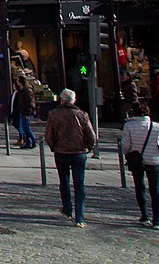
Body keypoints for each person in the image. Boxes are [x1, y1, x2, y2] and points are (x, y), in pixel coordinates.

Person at [45, 88, 96, 228]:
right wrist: (87, 147)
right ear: (74, 100)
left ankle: (67, 209)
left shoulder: (53, 114)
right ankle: (79, 217)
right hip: (78, 153)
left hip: (61, 153)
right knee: (79, 185)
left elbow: (48, 135)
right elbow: (92, 136)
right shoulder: (82, 114)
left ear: (61, 100)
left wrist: (53, 147)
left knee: (64, 181)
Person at [120, 100, 159, 230]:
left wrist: (128, 154)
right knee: (155, 190)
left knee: (140, 187)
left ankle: (144, 215)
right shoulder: (156, 126)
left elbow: (125, 145)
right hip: (154, 160)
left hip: (137, 160)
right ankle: (157, 220)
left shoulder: (129, 126)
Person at [13, 75, 36, 148]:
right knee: (23, 127)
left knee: (26, 128)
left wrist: (28, 113)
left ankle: (33, 141)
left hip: (27, 113)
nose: (17, 82)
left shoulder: (27, 90)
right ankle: (28, 143)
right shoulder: (21, 91)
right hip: (22, 112)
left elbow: (30, 103)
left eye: (18, 80)